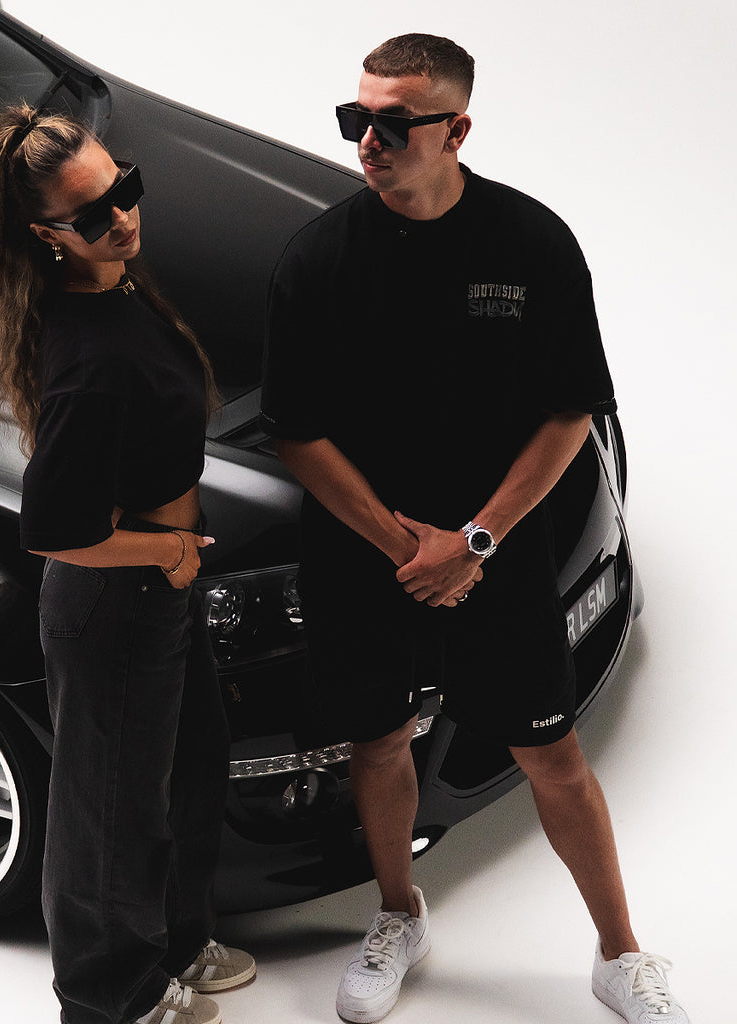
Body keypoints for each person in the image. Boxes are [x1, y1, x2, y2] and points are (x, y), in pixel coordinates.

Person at [260, 34, 688, 1024]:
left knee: (552, 756)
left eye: (393, 123)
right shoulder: (317, 260)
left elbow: (571, 409)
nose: (368, 141)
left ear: (455, 130)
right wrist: (405, 549)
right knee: (378, 744)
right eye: (355, 118)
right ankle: (398, 914)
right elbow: (298, 432)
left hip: (498, 557)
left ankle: (620, 953)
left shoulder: (530, 244)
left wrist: (476, 542)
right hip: (365, 562)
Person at [0, 104, 255, 1024]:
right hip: (115, 600)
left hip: (160, 585)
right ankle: (109, 999)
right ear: (45, 234)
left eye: (123, 189)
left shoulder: (112, 287)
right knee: (109, 814)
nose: (122, 218)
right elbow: (52, 528)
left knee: (189, 769)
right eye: (92, 215)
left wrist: (179, 555)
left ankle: (175, 944)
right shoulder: (89, 358)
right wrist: (168, 549)